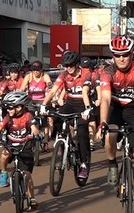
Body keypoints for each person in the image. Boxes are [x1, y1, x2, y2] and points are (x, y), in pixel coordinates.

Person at [96, 35, 134, 213]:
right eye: (117, 55)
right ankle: (112, 164)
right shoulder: (108, 72)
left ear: (132, 54)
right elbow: (104, 99)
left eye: (125, 55)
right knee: (109, 135)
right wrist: (103, 122)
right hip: (116, 109)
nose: (121, 58)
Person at [39, 51, 93, 179]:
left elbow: (85, 93)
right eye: (66, 65)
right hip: (70, 103)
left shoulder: (86, 74)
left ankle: (84, 164)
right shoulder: (63, 74)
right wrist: (43, 104)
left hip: (83, 104)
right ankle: (62, 140)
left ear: (77, 64)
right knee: (56, 117)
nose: (68, 68)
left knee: (81, 132)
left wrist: (87, 109)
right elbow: (53, 91)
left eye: (71, 65)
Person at [0, 91, 40, 210]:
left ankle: (32, 198)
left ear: (19, 107)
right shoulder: (7, 118)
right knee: (4, 155)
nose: (8, 110)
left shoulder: (28, 116)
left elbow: (34, 128)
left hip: (26, 146)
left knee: (27, 175)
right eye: (7, 108)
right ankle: (4, 173)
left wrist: (37, 135)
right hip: (11, 144)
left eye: (10, 107)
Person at [21, 60, 53, 150]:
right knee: (29, 118)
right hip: (31, 101)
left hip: (43, 101)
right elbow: (22, 88)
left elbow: (49, 84)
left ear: (41, 70)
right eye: (33, 70)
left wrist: (50, 90)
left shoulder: (45, 76)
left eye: (37, 70)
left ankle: (45, 141)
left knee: (44, 122)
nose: (35, 72)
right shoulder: (29, 76)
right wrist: (22, 91)